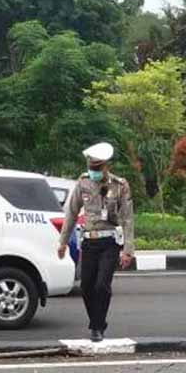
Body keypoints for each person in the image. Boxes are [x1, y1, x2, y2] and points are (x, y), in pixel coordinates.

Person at [56, 142, 135, 343]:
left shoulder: (120, 185)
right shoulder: (83, 183)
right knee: (86, 287)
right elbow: (71, 213)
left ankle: (97, 327)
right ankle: (97, 321)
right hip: (89, 242)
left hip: (109, 242)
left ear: (106, 166)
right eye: (91, 168)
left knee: (102, 285)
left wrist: (128, 250)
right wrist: (63, 242)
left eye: (97, 168)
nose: (94, 172)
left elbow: (127, 218)